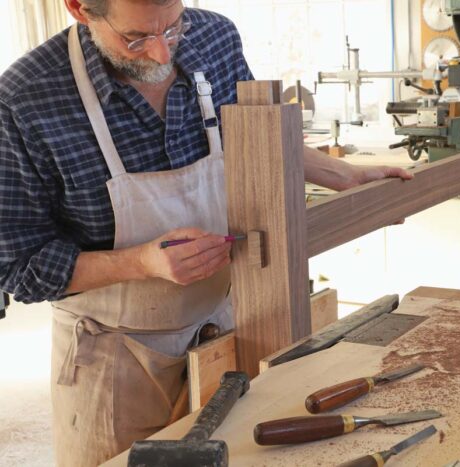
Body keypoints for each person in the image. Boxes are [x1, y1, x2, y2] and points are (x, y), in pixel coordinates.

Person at [0, 0, 412, 465]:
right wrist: (142, 263)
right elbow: (18, 269)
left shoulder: (214, 37)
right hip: (115, 359)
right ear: (80, 9)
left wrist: (343, 175)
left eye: (173, 28)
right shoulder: (24, 99)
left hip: (230, 329)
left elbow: (258, 135)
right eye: (135, 38)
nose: (161, 54)